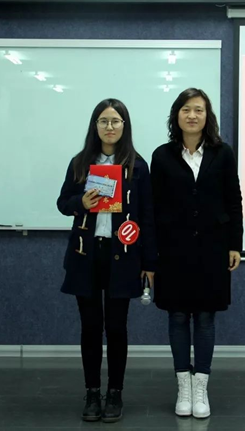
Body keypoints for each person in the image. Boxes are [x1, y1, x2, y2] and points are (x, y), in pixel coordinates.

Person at [57, 99, 156, 423]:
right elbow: (63, 203)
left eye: (115, 121)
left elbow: (147, 217)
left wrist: (149, 262)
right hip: (86, 254)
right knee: (90, 327)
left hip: (122, 256)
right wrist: (81, 203)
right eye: (103, 121)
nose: (109, 127)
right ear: (95, 125)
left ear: (125, 126)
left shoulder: (137, 166)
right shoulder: (80, 163)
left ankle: (115, 393)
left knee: (116, 327)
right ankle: (92, 392)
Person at [150, 88, 243, 419]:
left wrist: (235, 244)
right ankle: (184, 387)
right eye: (186, 109)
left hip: (212, 248)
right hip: (172, 250)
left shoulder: (223, 153)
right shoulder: (162, 156)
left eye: (199, 110)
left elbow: (233, 199)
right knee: (177, 316)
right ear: (176, 115)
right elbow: (152, 207)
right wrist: (151, 253)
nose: (192, 115)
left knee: (205, 317)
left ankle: (201, 386)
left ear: (207, 116)